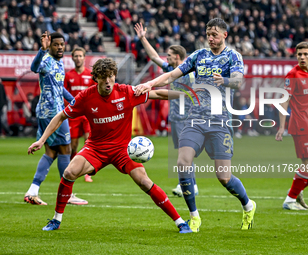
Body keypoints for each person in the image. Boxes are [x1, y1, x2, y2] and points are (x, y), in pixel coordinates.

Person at [28, 58, 193, 234]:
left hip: (123, 150)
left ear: (115, 75)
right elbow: (61, 116)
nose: (108, 81)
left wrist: (187, 94)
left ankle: (180, 222)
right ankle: (56, 220)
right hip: (96, 148)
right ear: (96, 78)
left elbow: (159, 94)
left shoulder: (127, 92)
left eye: (111, 76)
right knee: (69, 173)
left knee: (144, 181)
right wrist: (42, 140)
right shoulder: (85, 97)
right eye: (103, 77)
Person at [135, 18, 257, 232]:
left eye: (215, 34)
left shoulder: (233, 56)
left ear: (224, 35)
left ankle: (248, 205)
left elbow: (238, 81)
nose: (211, 38)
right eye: (208, 34)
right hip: (195, 120)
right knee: (183, 162)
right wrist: (149, 84)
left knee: (224, 177)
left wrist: (225, 80)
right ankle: (194, 216)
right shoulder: (198, 56)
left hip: (219, 122)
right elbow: (172, 74)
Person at [134, 22, 200, 228]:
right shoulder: (172, 70)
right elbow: (154, 57)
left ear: (178, 57)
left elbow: (186, 94)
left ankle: (191, 185)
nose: (167, 58)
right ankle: (188, 183)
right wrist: (143, 38)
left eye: (170, 55)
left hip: (187, 118)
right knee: (181, 153)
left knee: (184, 153)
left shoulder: (187, 74)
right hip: (176, 118)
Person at [24, 31, 88, 206]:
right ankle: (67, 194)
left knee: (51, 153)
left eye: (62, 44)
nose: (60, 47)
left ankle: (32, 192)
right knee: (66, 150)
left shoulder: (60, 64)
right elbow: (34, 68)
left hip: (53, 111)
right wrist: (41, 50)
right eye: (56, 44)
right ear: (50, 45)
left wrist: (75, 101)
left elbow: (60, 89)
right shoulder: (46, 60)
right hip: (53, 112)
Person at [276, 42, 308, 210]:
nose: (302, 57)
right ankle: (290, 200)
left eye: (305, 54)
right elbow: (283, 100)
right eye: (299, 54)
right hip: (300, 125)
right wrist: (281, 127)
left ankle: (296, 190)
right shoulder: (292, 75)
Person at [64, 47, 97, 183]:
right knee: (73, 145)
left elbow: (96, 93)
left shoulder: (90, 75)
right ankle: (74, 168)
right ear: (72, 58)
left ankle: (87, 173)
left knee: (88, 142)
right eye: (76, 56)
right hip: (74, 115)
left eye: (80, 56)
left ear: (84, 58)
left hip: (88, 115)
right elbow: (64, 94)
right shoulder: (68, 76)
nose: (78, 58)